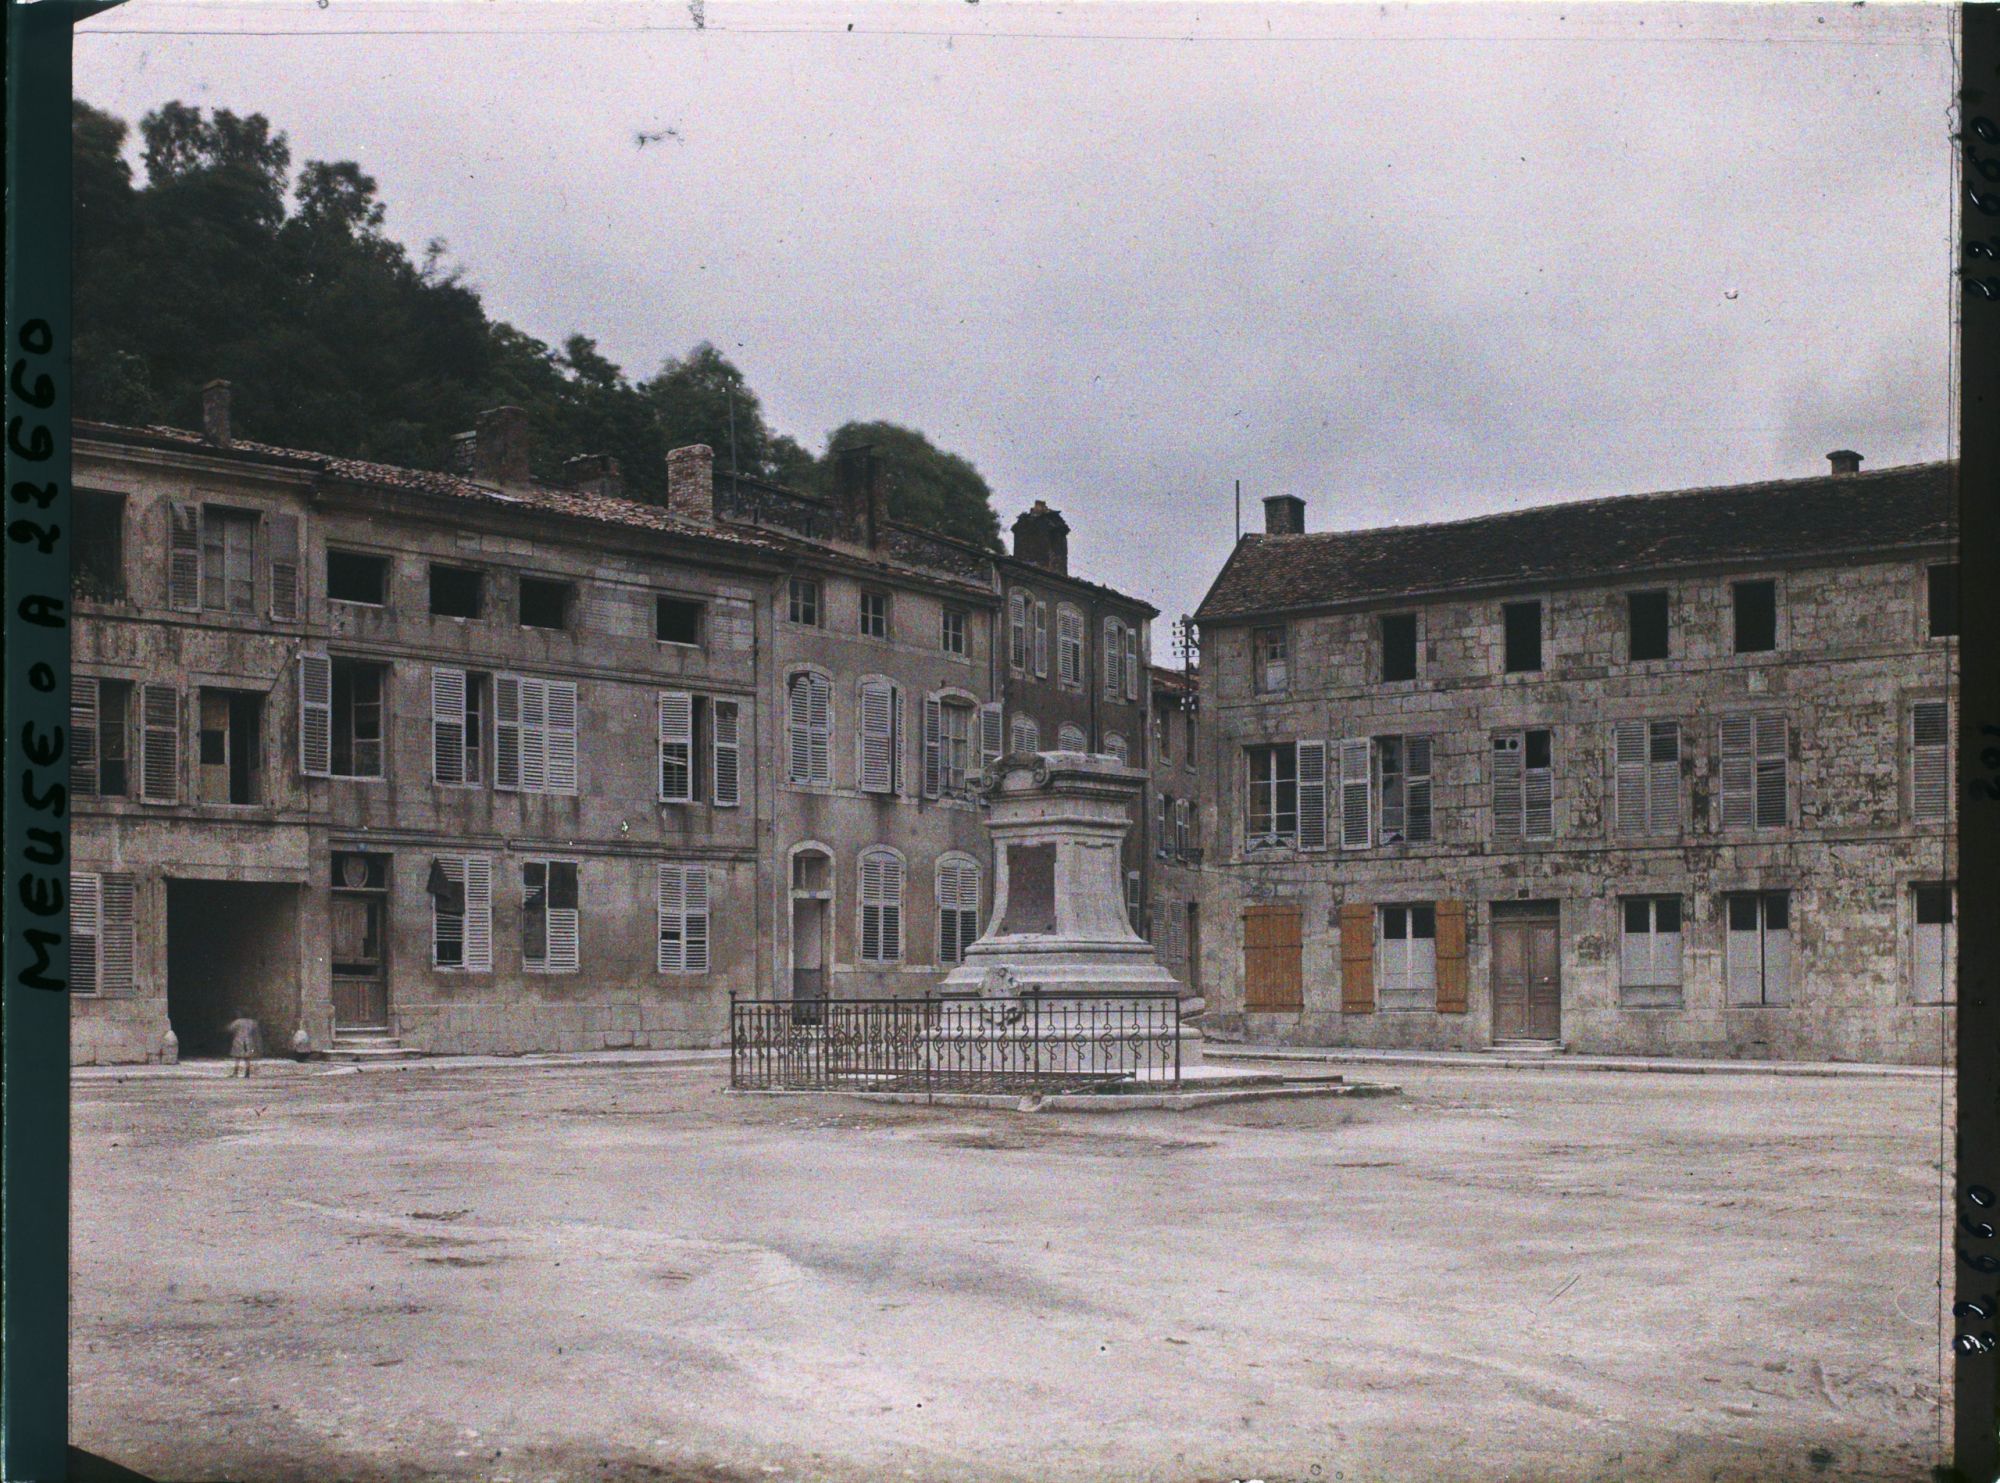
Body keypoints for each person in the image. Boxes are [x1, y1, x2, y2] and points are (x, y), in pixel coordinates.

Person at [224, 1011, 261, 1078]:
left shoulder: (238, 1021)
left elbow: (230, 1029)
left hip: (239, 1040)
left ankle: (235, 1072)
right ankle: (247, 1073)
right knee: (247, 1058)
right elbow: (256, 1033)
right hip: (249, 1041)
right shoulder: (253, 1022)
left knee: (237, 1057)